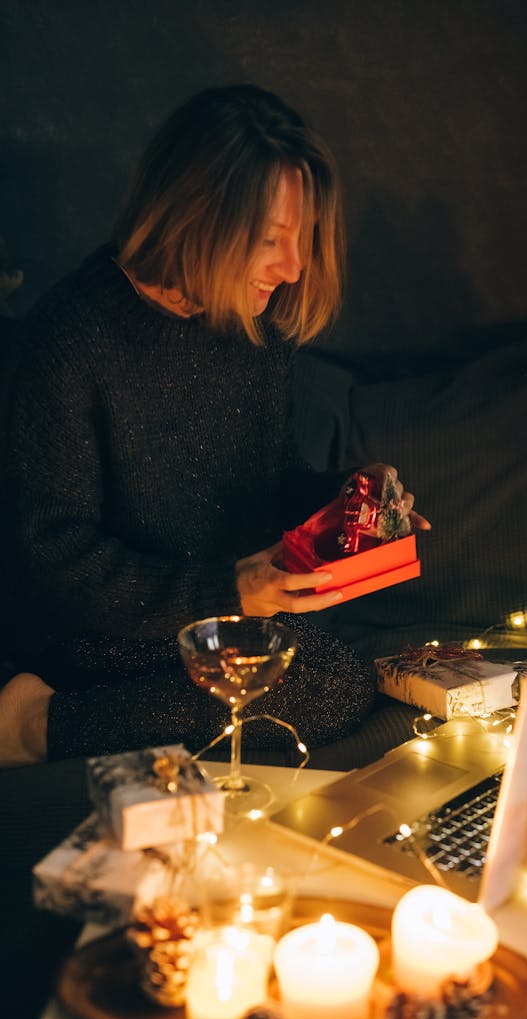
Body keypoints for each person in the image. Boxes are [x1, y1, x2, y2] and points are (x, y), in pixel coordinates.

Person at [0, 84, 428, 767]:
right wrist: (227, 591)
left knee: (325, 666)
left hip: (217, 614)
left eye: (304, 240)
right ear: (197, 217)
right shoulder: (72, 336)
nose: (293, 268)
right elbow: (53, 560)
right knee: (324, 686)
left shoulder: (256, 327)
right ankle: (35, 724)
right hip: (104, 626)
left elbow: (264, 482)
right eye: (270, 240)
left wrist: (350, 496)